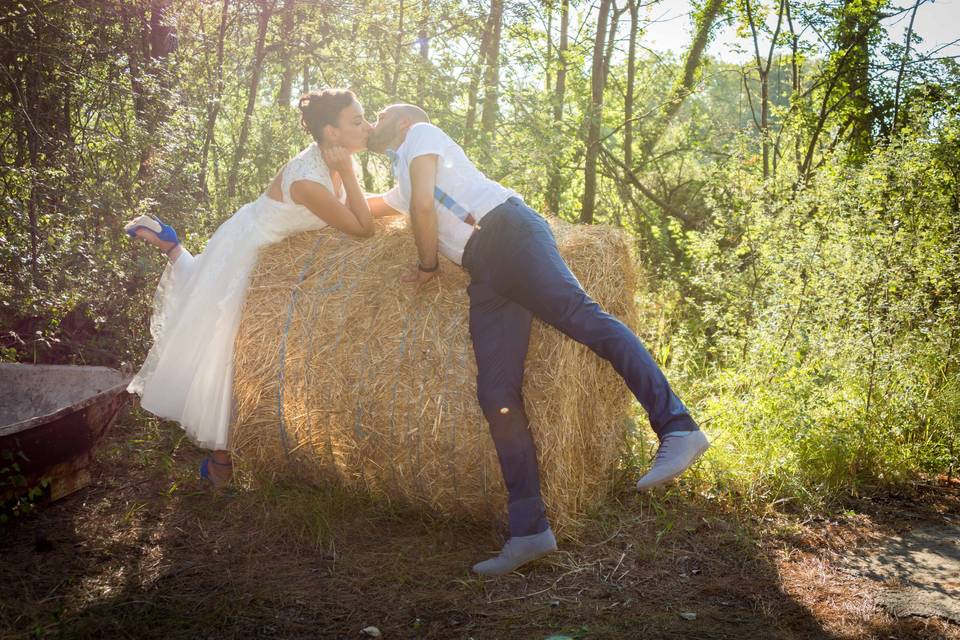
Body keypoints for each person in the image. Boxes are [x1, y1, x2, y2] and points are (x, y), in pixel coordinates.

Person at [365, 104, 710, 576]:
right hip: (484, 270)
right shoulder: (402, 176)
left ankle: (677, 426)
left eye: (380, 114)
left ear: (402, 121)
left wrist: (427, 265)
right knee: (495, 392)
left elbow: (424, 206)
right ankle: (529, 529)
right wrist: (323, 182)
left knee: (582, 317)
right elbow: (369, 208)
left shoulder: (422, 134)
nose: (373, 121)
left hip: (507, 232)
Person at [125, 88, 375, 489]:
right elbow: (362, 227)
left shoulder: (328, 161)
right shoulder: (311, 179)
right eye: (358, 121)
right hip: (245, 249)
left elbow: (361, 206)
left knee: (216, 328)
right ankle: (220, 462)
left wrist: (412, 203)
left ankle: (174, 246)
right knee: (219, 347)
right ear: (331, 132)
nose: (369, 127)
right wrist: (347, 170)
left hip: (261, 244)